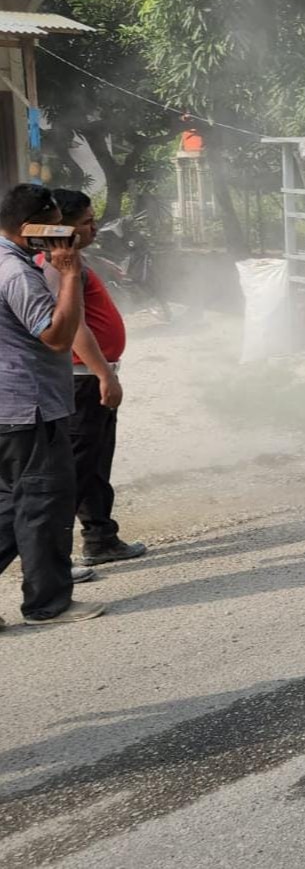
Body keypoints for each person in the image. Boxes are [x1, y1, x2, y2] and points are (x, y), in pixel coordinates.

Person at [0, 183, 105, 627]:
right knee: (44, 503)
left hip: (13, 406)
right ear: (31, 228)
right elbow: (58, 336)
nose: (62, 234)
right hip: (31, 405)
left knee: (12, 505)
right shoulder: (18, 273)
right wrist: (66, 274)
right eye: (55, 225)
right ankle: (48, 604)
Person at [42, 190, 146, 567]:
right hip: (82, 378)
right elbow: (74, 327)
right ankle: (54, 560)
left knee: (96, 463)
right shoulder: (58, 267)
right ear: (62, 227)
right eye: (86, 222)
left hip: (91, 376)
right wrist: (104, 374)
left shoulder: (76, 263)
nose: (95, 228)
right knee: (76, 469)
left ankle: (101, 536)